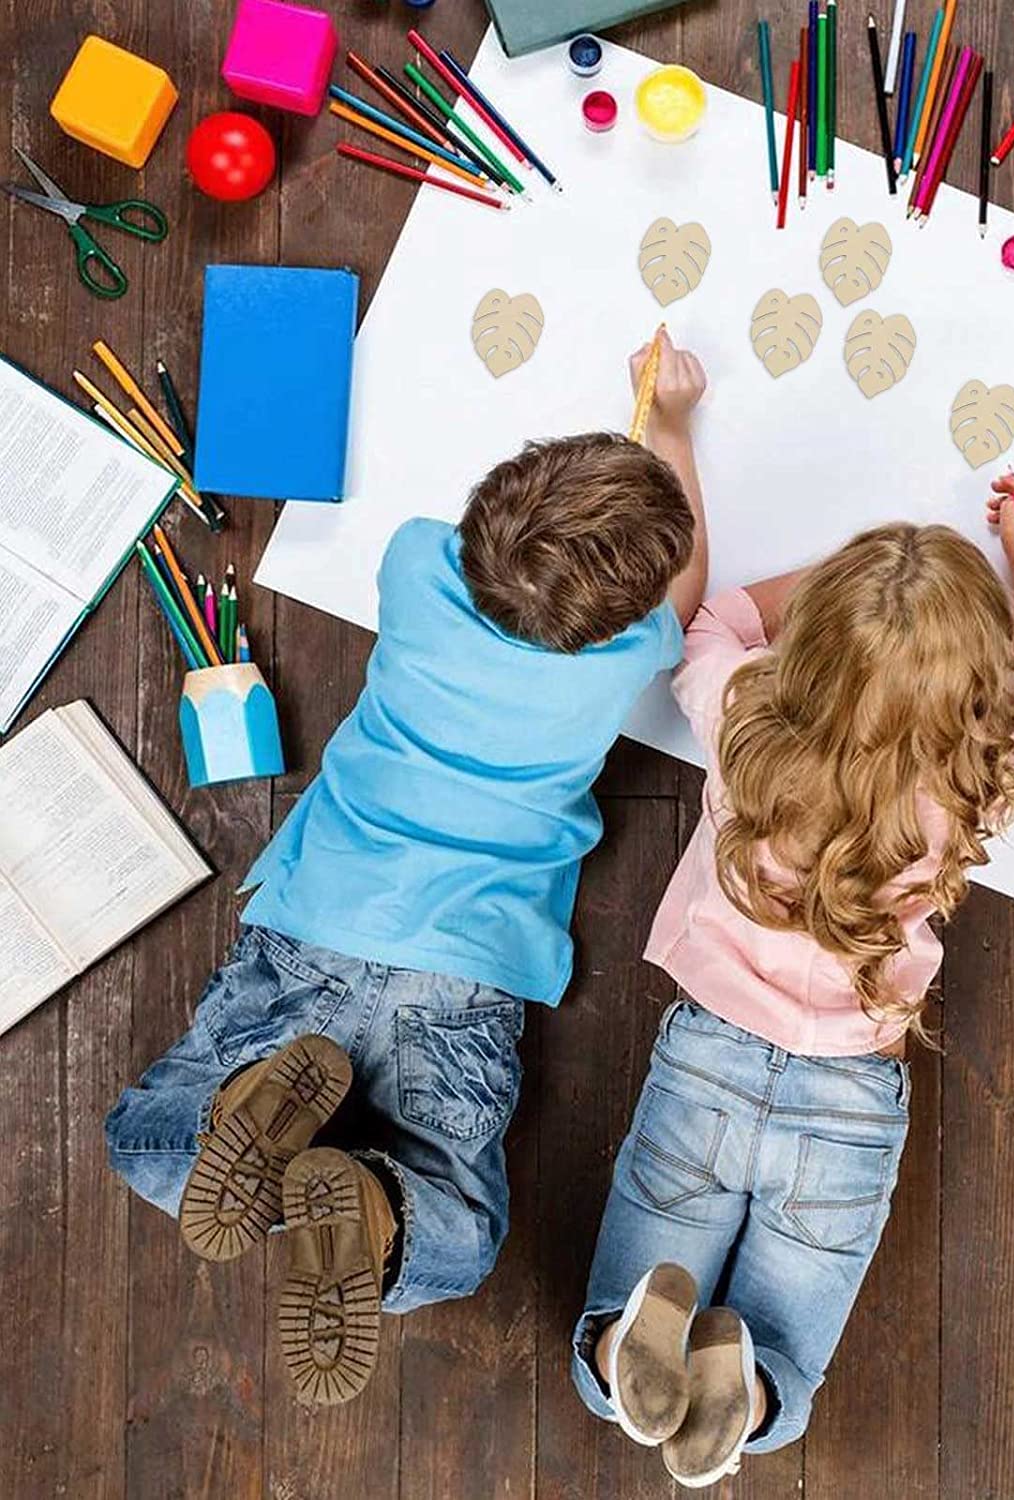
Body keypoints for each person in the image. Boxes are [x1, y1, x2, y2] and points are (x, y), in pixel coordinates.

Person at [105, 336, 709, 1406]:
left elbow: (539, 546)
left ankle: (300, 1148)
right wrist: (671, 426)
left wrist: (618, 452)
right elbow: (691, 585)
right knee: (454, 1238)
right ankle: (369, 1207)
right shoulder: (630, 653)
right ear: (621, 623)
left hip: (322, 923)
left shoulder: (417, 562)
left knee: (151, 1143)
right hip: (464, 977)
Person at [570, 475, 1014, 1487]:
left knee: (620, 1330)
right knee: (788, 1356)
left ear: (811, 646)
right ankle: (742, 1394)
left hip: (706, 1063)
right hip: (848, 1096)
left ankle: (632, 1354)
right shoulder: (985, 767)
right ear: (978, 687)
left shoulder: (746, 716)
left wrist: (864, 579)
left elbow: (712, 616)